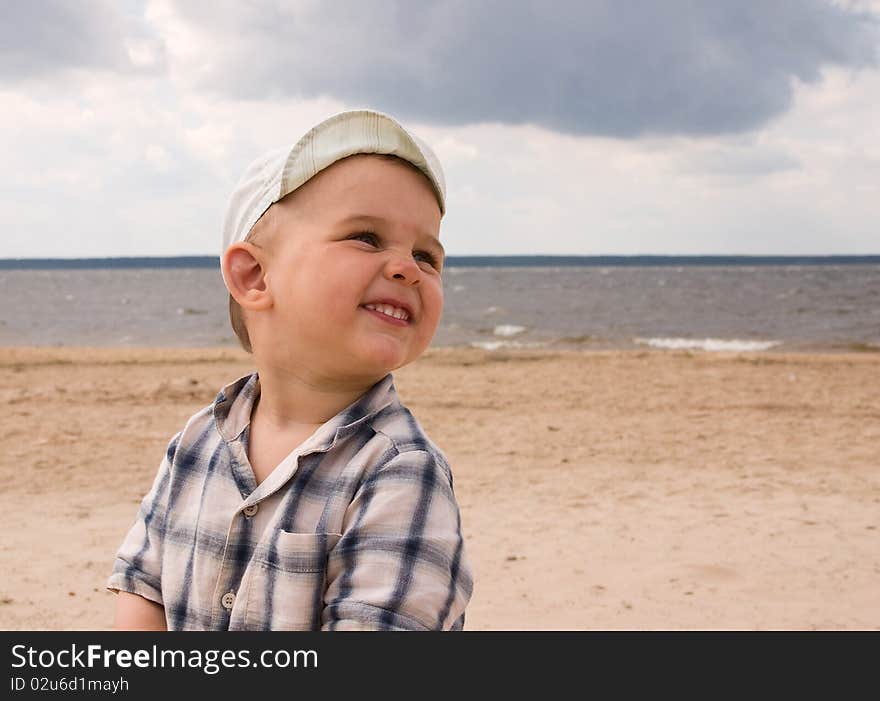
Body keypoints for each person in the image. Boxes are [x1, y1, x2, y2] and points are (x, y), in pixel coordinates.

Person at [106, 109, 474, 630]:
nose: (406, 267)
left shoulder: (399, 471)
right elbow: (143, 589)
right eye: (366, 237)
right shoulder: (196, 443)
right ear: (254, 275)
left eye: (427, 256)